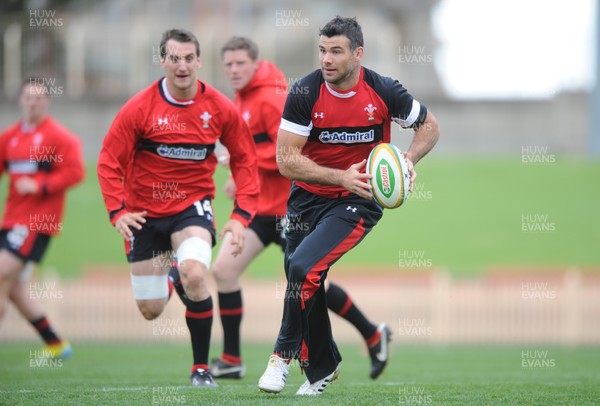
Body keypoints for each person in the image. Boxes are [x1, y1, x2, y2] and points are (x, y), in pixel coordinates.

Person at [257, 16, 440, 396]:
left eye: (336, 51)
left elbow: (429, 127)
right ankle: (324, 367)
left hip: (359, 199)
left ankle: (281, 357)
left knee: (303, 267)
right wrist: (339, 175)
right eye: (322, 50)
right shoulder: (305, 93)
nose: (326, 59)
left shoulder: (384, 90)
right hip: (307, 200)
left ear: (358, 54)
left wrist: (409, 160)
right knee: (303, 276)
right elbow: (286, 160)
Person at [203, 36, 391, 381]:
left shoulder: (276, 97)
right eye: (227, 64)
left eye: (240, 63)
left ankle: (362, 338)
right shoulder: (241, 99)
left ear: (257, 63)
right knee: (225, 270)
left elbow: (290, 158)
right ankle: (232, 357)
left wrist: (247, 169)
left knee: (306, 279)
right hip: (262, 210)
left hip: (293, 209)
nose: (233, 70)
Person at [97, 29, 259, 388]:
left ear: (199, 61)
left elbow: (246, 160)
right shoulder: (139, 108)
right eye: (174, 58)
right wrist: (117, 211)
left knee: (197, 275)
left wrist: (240, 216)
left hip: (192, 207)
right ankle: (173, 275)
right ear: (163, 62)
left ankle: (200, 369)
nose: (182, 65)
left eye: (189, 58)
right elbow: (109, 161)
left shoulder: (219, 107)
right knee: (151, 309)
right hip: (143, 213)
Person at [0, 78, 85, 359]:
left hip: (37, 222)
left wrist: (40, 185)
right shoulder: (9, 137)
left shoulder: (59, 137)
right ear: (20, 99)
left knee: (2, 276)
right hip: (10, 221)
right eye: (28, 97)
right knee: (13, 288)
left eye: (38, 98)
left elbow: (75, 172)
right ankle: (56, 344)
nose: (32, 102)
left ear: (47, 101)